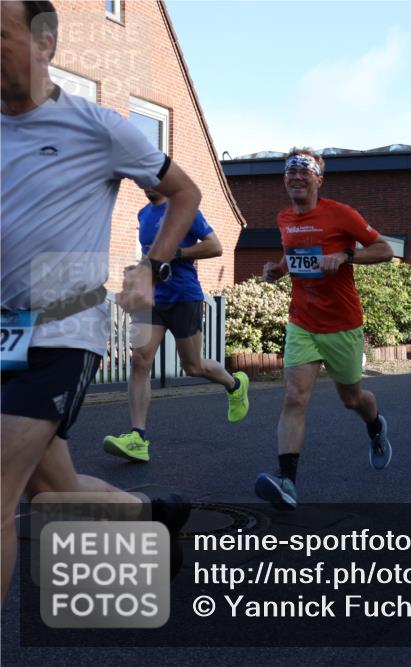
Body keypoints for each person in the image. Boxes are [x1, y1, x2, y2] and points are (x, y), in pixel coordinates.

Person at [1, 0, 202, 598]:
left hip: (63, 332)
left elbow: (185, 192)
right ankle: (149, 517)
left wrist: (151, 264)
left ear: (45, 42)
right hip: (4, 334)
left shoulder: (98, 127)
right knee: (51, 489)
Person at [254, 148, 395, 510]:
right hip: (302, 321)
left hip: (342, 325)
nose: (297, 177)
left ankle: (376, 425)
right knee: (294, 396)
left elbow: (384, 249)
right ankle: (287, 481)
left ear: (319, 179)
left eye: (306, 171)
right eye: (291, 171)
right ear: (284, 179)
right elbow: (295, 256)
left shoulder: (340, 214)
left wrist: (346, 256)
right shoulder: (284, 217)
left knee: (352, 399)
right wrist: (278, 269)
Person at [102, 190, 250, 462]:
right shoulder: (144, 214)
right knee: (140, 360)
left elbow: (215, 246)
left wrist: (177, 252)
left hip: (183, 296)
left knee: (193, 367)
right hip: (152, 298)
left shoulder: (184, 210)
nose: (148, 182)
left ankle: (234, 385)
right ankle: (138, 437)